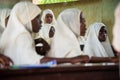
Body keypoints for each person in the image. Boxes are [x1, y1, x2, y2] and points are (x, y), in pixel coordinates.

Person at [0, 1, 89, 65]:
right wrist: (70, 60)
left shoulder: (11, 35)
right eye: (37, 18)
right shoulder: (21, 36)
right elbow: (36, 61)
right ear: (27, 19)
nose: (41, 21)